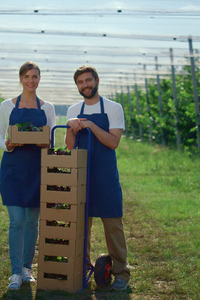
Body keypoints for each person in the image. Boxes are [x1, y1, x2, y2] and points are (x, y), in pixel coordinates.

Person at [65, 65, 130, 290]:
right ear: (77, 86)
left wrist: (90, 125)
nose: (85, 85)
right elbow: (70, 146)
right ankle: (81, 268)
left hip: (105, 176)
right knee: (82, 226)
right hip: (81, 175)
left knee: (113, 225)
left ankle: (121, 273)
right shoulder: (74, 109)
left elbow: (113, 142)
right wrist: (71, 128)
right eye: (80, 83)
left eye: (88, 81)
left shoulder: (113, 108)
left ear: (97, 80)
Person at [0, 61, 56, 290]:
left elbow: (50, 139)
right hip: (13, 168)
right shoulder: (7, 106)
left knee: (31, 222)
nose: (31, 81)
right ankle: (14, 273)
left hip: (36, 169)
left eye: (35, 76)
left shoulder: (47, 108)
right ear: (21, 78)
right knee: (17, 221)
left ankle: (26, 269)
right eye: (28, 76)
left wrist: (43, 143)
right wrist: (9, 145)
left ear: (40, 79)